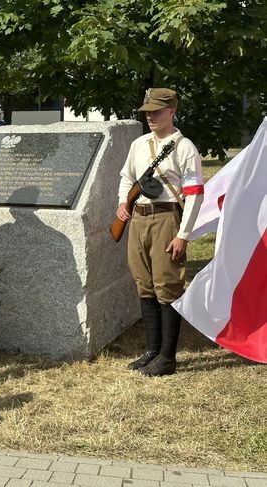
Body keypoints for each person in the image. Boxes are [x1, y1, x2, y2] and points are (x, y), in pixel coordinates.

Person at [116, 88, 204, 376]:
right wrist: (122, 202)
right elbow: (126, 177)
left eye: (156, 111)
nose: (151, 116)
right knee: (144, 285)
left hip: (167, 219)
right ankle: (152, 350)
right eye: (148, 112)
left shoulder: (184, 147)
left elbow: (194, 194)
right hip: (138, 220)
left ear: (172, 112)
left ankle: (167, 358)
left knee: (167, 287)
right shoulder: (139, 145)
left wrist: (183, 234)